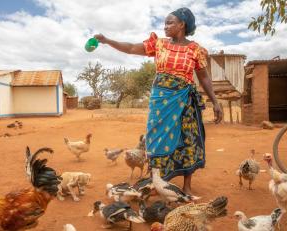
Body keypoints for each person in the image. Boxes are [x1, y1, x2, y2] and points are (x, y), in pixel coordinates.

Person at [94, 7, 222, 195]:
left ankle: (187, 185)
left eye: (170, 22)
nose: (165, 27)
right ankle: (157, 180)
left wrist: (215, 101)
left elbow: (204, 77)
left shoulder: (196, 50)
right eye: (164, 23)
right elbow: (130, 48)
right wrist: (107, 41)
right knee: (155, 141)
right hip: (160, 102)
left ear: (182, 25)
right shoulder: (159, 44)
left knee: (188, 140)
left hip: (184, 101)